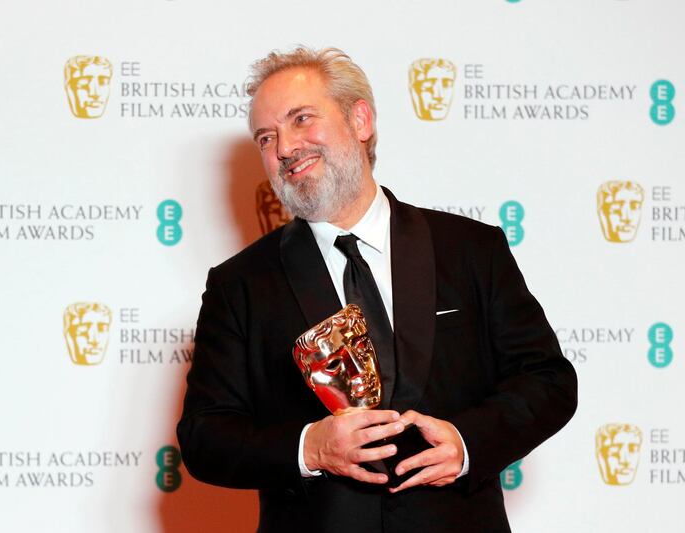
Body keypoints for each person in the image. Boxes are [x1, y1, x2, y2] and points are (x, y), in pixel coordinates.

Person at [177, 46, 577, 532]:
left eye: (301, 119)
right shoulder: (239, 285)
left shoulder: (470, 249)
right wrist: (312, 447)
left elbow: (548, 380)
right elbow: (204, 437)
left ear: (360, 119)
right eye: (266, 137)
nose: (284, 148)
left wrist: (466, 442)